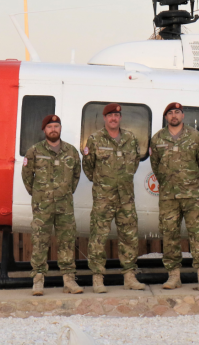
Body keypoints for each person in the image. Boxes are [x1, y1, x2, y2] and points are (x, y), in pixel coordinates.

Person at [82, 103, 145, 293]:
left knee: (129, 237)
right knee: (98, 238)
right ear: (104, 118)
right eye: (110, 115)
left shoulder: (130, 138)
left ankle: (129, 277)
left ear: (120, 118)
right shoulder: (94, 140)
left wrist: (121, 180)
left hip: (126, 197)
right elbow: (88, 168)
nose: (113, 118)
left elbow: (134, 164)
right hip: (104, 198)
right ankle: (98, 278)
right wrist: (104, 183)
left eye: (116, 115)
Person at [150, 102, 199, 291]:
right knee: (169, 235)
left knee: (198, 234)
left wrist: (192, 181)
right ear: (166, 117)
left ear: (183, 115)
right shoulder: (158, 138)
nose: (174, 115)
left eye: (177, 112)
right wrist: (168, 182)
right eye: (170, 113)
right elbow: (156, 164)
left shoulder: (195, 137)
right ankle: (173, 276)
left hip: (192, 195)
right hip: (168, 196)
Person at [22, 115, 83, 296]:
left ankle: (69, 280)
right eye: (50, 126)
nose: (54, 129)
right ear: (44, 130)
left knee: (67, 242)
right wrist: (38, 195)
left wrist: (66, 191)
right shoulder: (34, 151)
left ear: (60, 128)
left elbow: (76, 175)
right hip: (43, 207)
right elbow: (26, 176)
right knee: (40, 241)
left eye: (56, 126)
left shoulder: (71, 152)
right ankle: (38, 280)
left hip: (65, 205)